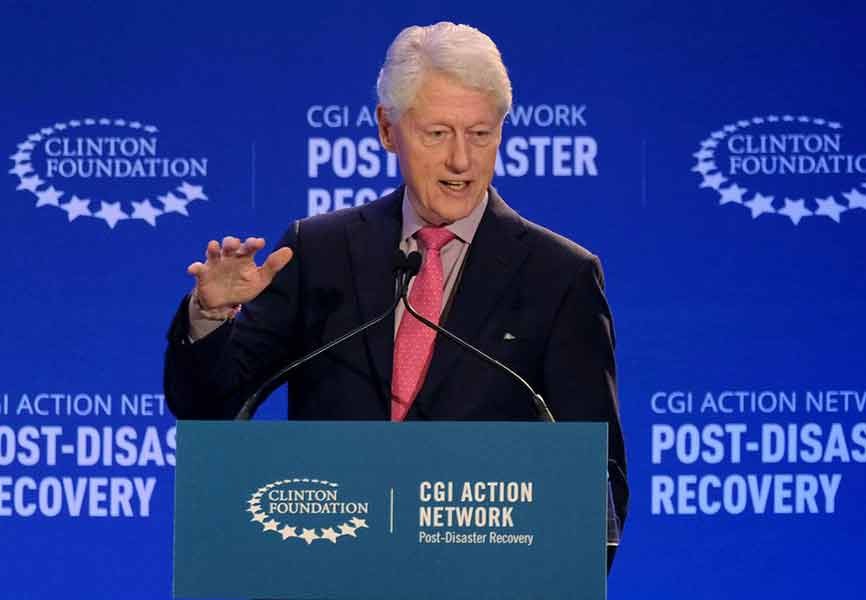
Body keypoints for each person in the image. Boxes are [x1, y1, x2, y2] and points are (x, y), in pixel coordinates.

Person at [164, 22, 628, 563]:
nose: (462, 160)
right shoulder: (319, 253)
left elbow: (599, 482)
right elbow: (208, 408)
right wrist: (213, 315)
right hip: (326, 571)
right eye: (437, 133)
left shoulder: (559, 276)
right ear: (388, 129)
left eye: (480, 134)